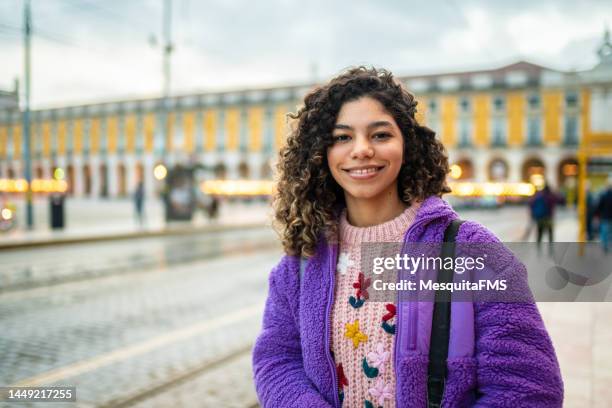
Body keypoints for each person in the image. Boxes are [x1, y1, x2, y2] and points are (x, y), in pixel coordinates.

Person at [251, 67, 563, 407]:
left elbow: (528, 387)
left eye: (380, 135)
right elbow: (277, 359)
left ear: (407, 144)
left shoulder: (473, 251)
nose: (361, 149)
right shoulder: (302, 260)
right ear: (320, 153)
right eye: (342, 137)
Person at [528, 183, 563, 254]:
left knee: (539, 232)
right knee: (550, 233)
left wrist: (533, 214)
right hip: (548, 218)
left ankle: (538, 248)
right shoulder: (551, 196)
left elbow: (531, 203)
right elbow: (561, 201)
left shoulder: (539, 196)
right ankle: (551, 248)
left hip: (540, 218)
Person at [595, 177, 612, 253]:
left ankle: (605, 246)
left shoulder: (603, 195)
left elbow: (599, 206)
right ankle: (608, 246)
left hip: (605, 217)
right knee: (610, 233)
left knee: (604, 232)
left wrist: (597, 215)